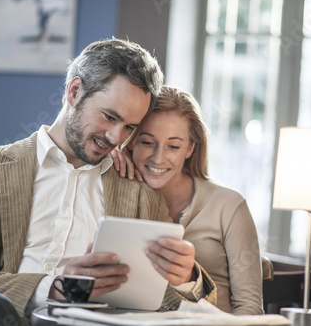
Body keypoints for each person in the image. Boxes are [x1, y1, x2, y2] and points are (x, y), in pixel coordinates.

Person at [0, 39, 216, 325]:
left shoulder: (140, 192)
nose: (116, 138)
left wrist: (185, 279)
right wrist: (57, 288)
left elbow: (163, 302)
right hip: (2, 318)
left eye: (130, 127)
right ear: (74, 91)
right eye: (109, 117)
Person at [110, 86, 263, 315]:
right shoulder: (114, 192)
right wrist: (103, 161)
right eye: (147, 142)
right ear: (131, 141)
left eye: (173, 146)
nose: (158, 158)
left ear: (190, 147)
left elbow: (249, 308)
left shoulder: (229, 206)